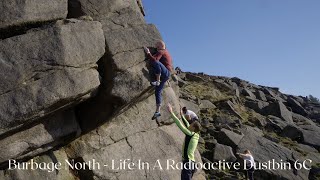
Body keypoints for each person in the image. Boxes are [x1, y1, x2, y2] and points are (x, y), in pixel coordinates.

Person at [167, 103, 201, 180]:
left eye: (191, 125)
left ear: (193, 128)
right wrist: (182, 115)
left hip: (188, 163)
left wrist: (171, 112)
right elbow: (186, 124)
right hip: (192, 163)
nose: (189, 125)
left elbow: (180, 125)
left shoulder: (190, 134)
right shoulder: (195, 135)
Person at [144, 41, 173, 120]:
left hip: (165, 73)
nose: (155, 46)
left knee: (155, 62)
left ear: (160, 45)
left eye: (156, 45)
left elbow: (155, 59)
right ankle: (157, 111)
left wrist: (148, 53)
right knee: (158, 92)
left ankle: (157, 80)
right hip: (166, 75)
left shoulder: (161, 51)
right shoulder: (167, 52)